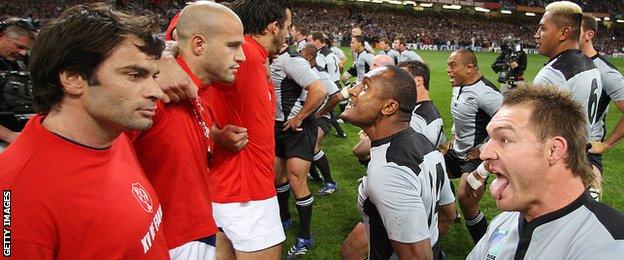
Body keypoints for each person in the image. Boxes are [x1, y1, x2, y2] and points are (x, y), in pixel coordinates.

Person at [0, 3, 169, 258]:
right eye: (135, 75)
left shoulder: (112, 132)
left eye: (153, 77)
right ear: (72, 78)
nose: (156, 92)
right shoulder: (18, 192)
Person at [132, 2, 246, 259]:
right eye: (233, 45)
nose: (241, 56)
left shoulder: (199, 95)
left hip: (193, 230)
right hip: (165, 242)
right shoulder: (156, 94)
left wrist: (216, 136)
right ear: (199, 45)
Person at [466, 85, 624, 259]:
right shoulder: (502, 223)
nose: (485, 153)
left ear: (554, 150)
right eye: (490, 139)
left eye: (504, 139)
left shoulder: (609, 245)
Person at [204, 1, 292, 259]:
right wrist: (213, 133)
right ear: (274, 27)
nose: (288, 33)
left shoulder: (256, 58)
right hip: (246, 192)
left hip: (231, 185)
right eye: (287, 26)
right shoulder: (247, 55)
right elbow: (190, 88)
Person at [341, 66, 454, 259]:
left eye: (365, 87)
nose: (353, 90)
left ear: (389, 107)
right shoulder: (424, 144)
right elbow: (448, 214)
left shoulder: (389, 171)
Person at [533, 0, 603, 199]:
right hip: (582, 156)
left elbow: (538, 130)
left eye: (543, 28)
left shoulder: (553, 74)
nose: (536, 34)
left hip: (560, 165)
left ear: (564, 33)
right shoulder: (590, 64)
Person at [271, 42, 326, 257]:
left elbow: (319, 90)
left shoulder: (292, 61)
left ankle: (305, 236)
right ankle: (284, 218)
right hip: (277, 127)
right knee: (278, 177)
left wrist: (299, 117)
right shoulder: (268, 60)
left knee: (296, 180)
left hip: (297, 129)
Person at [441, 49, 502, 180]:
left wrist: (481, 149)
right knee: (436, 177)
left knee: (466, 195)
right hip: (456, 149)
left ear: (469, 68)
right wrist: (454, 134)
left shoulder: (488, 94)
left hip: (473, 156)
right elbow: (460, 115)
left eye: (452, 65)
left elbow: (506, 126)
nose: (448, 70)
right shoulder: (457, 86)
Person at [580, 14, 624, 187]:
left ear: (589, 35)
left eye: (576, 29)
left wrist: (605, 145)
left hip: (585, 152)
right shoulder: (561, 64)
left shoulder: (606, 72)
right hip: (556, 148)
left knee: (586, 209)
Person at [299, 44, 341, 195]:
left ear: (309, 57)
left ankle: (330, 182)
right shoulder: (304, 71)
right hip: (309, 115)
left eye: (301, 53)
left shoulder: (319, 73)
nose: (298, 55)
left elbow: (336, 96)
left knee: (313, 144)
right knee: (306, 144)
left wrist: (321, 112)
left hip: (322, 117)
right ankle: (316, 176)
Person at [0, 18, 36, 147]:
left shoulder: (19, 62)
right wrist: (9, 135)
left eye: (26, 49)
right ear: (2, 36)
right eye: (19, 46)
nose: (22, 52)